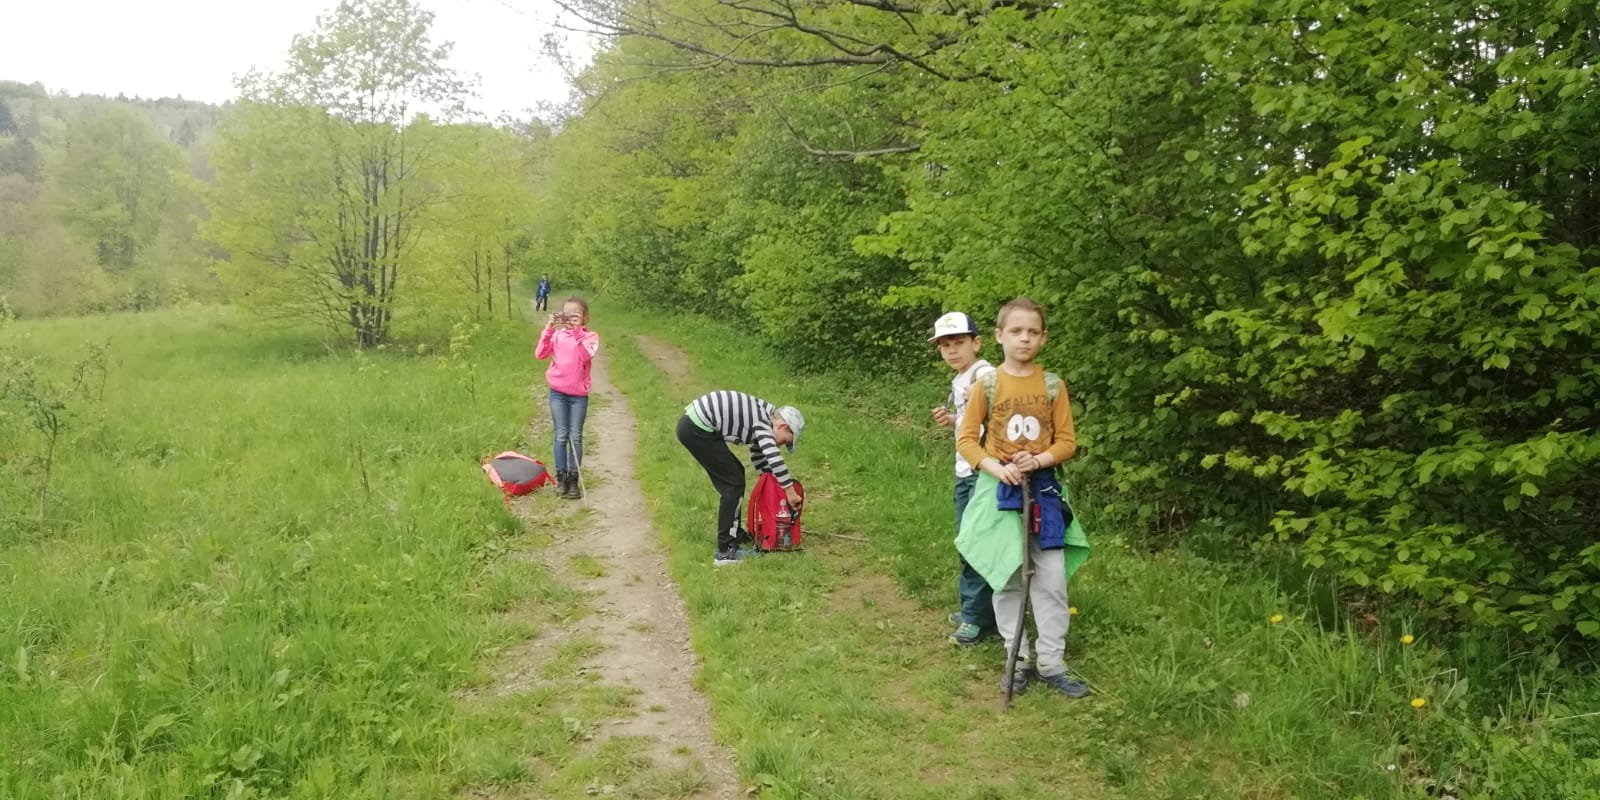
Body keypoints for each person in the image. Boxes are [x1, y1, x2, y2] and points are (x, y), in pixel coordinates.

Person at [956, 297, 1091, 698]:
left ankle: (1052, 662)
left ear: (1043, 338)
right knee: (1007, 577)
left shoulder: (1052, 386)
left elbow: (1066, 441)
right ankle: (1017, 658)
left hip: (1044, 491)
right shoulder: (987, 385)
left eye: (1033, 332)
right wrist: (997, 468)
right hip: (999, 491)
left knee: (1051, 578)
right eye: (1016, 331)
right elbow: (967, 440)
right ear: (999, 336)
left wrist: (1039, 460)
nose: (1024, 339)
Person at [927, 311, 998, 646]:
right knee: (967, 541)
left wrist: (983, 392)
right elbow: (976, 421)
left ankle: (975, 617)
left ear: (976, 343)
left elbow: (999, 391)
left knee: (973, 543)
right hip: (965, 471)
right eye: (945, 346)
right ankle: (981, 609)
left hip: (980, 473)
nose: (952, 351)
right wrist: (954, 419)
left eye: (959, 342)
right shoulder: (962, 378)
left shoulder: (982, 373)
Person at [676, 390, 805, 565]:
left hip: (695, 426)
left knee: (736, 475)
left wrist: (769, 482)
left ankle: (734, 533)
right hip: (697, 428)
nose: (780, 445)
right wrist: (790, 492)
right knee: (733, 483)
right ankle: (725, 551)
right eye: (785, 441)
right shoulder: (764, 422)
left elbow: (758, 454)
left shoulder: (764, 417)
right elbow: (773, 457)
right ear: (782, 426)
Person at [535, 296, 599, 499]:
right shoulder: (557, 336)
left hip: (578, 396)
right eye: (567, 314)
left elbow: (585, 356)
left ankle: (573, 479)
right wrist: (548, 329)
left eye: (575, 315)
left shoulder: (590, 337)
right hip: (558, 393)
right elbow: (540, 354)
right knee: (561, 435)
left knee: (575, 436)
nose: (570, 318)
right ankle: (561, 477)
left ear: (584, 317)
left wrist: (577, 332)